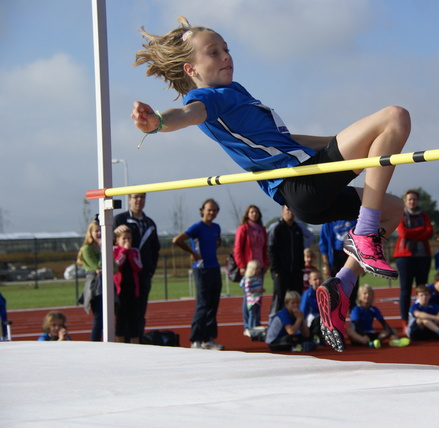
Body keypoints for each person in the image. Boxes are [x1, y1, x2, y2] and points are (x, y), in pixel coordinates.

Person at [130, 17, 409, 352]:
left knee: (392, 210)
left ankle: (341, 286)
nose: (225, 56)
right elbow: (188, 114)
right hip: (304, 180)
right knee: (394, 116)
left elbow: (286, 139)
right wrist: (158, 121)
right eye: (214, 52)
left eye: (226, 50)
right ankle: (364, 235)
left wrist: (343, 141)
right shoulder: (209, 97)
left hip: (308, 187)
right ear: (191, 69)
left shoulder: (235, 93)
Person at [173, 198, 225, 350]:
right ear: (202, 210)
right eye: (209, 209)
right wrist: (193, 253)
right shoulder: (197, 227)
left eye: (215, 210)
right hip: (201, 269)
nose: (212, 212)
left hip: (214, 268)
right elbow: (177, 240)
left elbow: (218, 240)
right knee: (203, 304)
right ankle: (196, 340)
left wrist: (213, 250)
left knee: (213, 304)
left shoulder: (216, 227)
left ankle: (208, 339)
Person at [114, 193, 160, 339]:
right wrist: (115, 231)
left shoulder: (149, 223)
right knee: (121, 313)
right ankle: (122, 342)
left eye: (142, 197)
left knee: (139, 312)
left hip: (143, 274)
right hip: (123, 276)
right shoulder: (119, 220)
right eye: (135, 197)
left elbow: (155, 248)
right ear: (129, 200)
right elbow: (109, 243)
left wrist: (150, 269)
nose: (139, 200)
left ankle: (137, 340)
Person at [393, 189, 434, 329]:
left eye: (414, 199)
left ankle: (423, 318)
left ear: (418, 201)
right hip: (404, 257)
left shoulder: (424, 215)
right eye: (409, 199)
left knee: (423, 289)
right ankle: (405, 321)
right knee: (405, 289)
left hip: (423, 256)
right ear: (405, 201)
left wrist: (414, 234)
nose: (412, 202)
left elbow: (429, 232)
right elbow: (403, 233)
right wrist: (419, 231)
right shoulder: (400, 214)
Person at [233, 205, 269, 331]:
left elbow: (265, 248)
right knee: (248, 297)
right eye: (252, 212)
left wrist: (266, 264)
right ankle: (248, 325)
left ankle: (256, 322)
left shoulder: (262, 229)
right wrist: (241, 266)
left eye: (256, 212)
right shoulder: (243, 229)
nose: (254, 214)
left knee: (258, 296)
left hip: (260, 267)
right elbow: (237, 249)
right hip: (249, 268)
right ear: (247, 214)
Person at [268, 205, 306, 317]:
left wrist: (301, 268)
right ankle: (274, 323)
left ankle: (295, 325)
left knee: (296, 299)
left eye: (293, 210)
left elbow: (300, 249)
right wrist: (276, 270)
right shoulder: (277, 229)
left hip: (296, 272)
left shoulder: (298, 229)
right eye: (288, 209)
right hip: (281, 272)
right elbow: (271, 250)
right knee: (279, 299)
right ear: (282, 212)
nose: (290, 212)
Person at [347, 284, 409, 348]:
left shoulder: (374, 309)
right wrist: (363, 335)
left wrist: (391, 334)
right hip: (360, 334)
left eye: (370, 294)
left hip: (371, 333)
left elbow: (383, 323)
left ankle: (394, 341)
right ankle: (369, 343)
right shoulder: (356, 309)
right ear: (359, 296)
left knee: (393, 331)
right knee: (350, 331)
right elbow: (356, 325)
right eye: (365, 294)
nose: (367, 295)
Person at [318, 219, 359, 307]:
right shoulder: (329, 222)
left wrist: (363, 264)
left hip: (351, 256)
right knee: (335, 291)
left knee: (353, 290)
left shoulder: (354, 218)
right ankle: (335, 317)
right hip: (335, 258)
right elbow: (323, 244)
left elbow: (362, 239)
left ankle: (354, 318)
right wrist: (326, 263)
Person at [113, 225, 143, 344]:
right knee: (120, 318)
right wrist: (124, 251)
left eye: (129, 238)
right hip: (119, 289)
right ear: (118, 240)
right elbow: (117, 265)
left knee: (133, 319)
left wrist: (130, 253)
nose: (127, 241)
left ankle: (135, 342)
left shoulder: (135, 251)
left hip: (132, 288)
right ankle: (119, 343)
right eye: (124, 239)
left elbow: (138, 266)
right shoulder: (114, 250)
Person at [77, 219, 103, 341]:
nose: (99, 233)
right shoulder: (87, 248)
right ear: (90, 232)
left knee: (108, 317)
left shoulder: (104, 246)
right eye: (96, 231)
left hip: (106, 283)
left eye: (101, 230)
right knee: (99, 317)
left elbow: (113, 268)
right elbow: (97, 267)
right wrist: (103, 250)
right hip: (95, 285)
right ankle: (95, 341)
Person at [240, 260, 266, 338]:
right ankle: (250, 329)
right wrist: (258, 290)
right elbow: (247, 289)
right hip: (252, 300)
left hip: (257, 299)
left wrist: (261, 290)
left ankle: (256, 328)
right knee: (252, 314)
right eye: (257, 269)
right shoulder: (249, 279)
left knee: (257, 314)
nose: (259, 270)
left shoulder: (258, 278)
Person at [300, 269, 323, 341]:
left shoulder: (325, 293)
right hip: (311, 319)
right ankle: (314, 337)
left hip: (322, 318)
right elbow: (303, 311)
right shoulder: (308, 294)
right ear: (310, 281)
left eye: (320, 278)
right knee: (318, 318)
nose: (318, 281)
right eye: (315, 279)